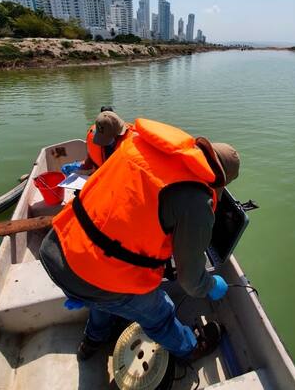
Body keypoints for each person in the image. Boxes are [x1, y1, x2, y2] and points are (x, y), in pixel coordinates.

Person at [39, 118, 241, 363]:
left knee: (104, 293)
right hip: (90, 272)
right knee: (159, 311)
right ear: (220, 181)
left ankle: (93, 338)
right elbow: (190, 281)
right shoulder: (197, 201)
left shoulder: (137, 145)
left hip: (57, 246)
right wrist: (209, 284)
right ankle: (189, 349)